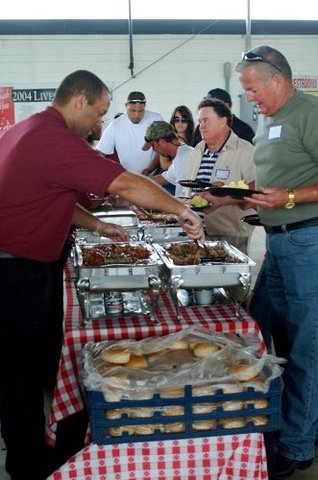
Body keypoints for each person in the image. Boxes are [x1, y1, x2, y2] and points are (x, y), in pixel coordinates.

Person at [0, 70, 204, 480]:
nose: (99, 124)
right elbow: (125, 182)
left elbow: (51, 196)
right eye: (98, 113)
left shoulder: (28, 130)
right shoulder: (53, 138)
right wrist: (181, 209)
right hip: (16, 273)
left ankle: (47, 442)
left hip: (23, 266)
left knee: (31, 367)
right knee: (19, 377)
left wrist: (99, 226)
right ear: (78, 101)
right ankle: (27, 465)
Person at [236, 44, 318, 478]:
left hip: (308, 243)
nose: (248, 98)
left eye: (251, 89)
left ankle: (298, 445)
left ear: (278, 79)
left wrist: (289, 198)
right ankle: (282, 420)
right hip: (278, 243)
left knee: (307, 347)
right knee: (260, 329)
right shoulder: (272, 121)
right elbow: (272, 177)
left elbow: (292, 188)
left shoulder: (308, 112)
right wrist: (232, 191)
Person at [181, 97, 256, 254]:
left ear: (223, 121)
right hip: (196, 231)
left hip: (230, 234)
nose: (201, 126)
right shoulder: (198, 150)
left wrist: (223, 195)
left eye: (206, 120)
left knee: (229, 277)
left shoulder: (244, 150)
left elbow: (256, 188)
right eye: (200, 121)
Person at [97, 91, 163, 174]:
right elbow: (101, 152)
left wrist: (150, 169)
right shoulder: (115, 125)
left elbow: (162, 150)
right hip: (128, 178)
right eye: (133, 110)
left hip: (154, 175)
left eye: (140, 111)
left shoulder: (156, 119)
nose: (136, 115)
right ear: (126, 106)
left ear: (145, 106)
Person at [143, 120, 194, 197]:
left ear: (162, 141)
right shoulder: (181, 154)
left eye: (153, 146)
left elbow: (183, 198)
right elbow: (162, 179)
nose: (153, 150)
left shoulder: (185, 157)